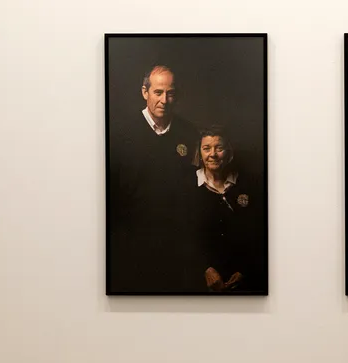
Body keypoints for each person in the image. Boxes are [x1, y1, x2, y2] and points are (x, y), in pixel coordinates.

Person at [107, 64, 201, 293]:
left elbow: (194, 189)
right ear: (144, 92)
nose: (164, 100)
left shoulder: (189, 133)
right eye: (158, 92)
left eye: (170, 93)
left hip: (176, 245)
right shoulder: (120, 134)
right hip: (131, 243)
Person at [187, 126, 267, 293]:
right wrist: (205, 268)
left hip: (245, 278)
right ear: (199, 152)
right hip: (199, 280)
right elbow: (181, 236)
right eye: (206, 148)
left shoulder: (249, 184)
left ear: (228, 152)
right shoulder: (187, 186)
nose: (213, 154)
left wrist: (245, 270)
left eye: (219, 148)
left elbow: (259, 233)